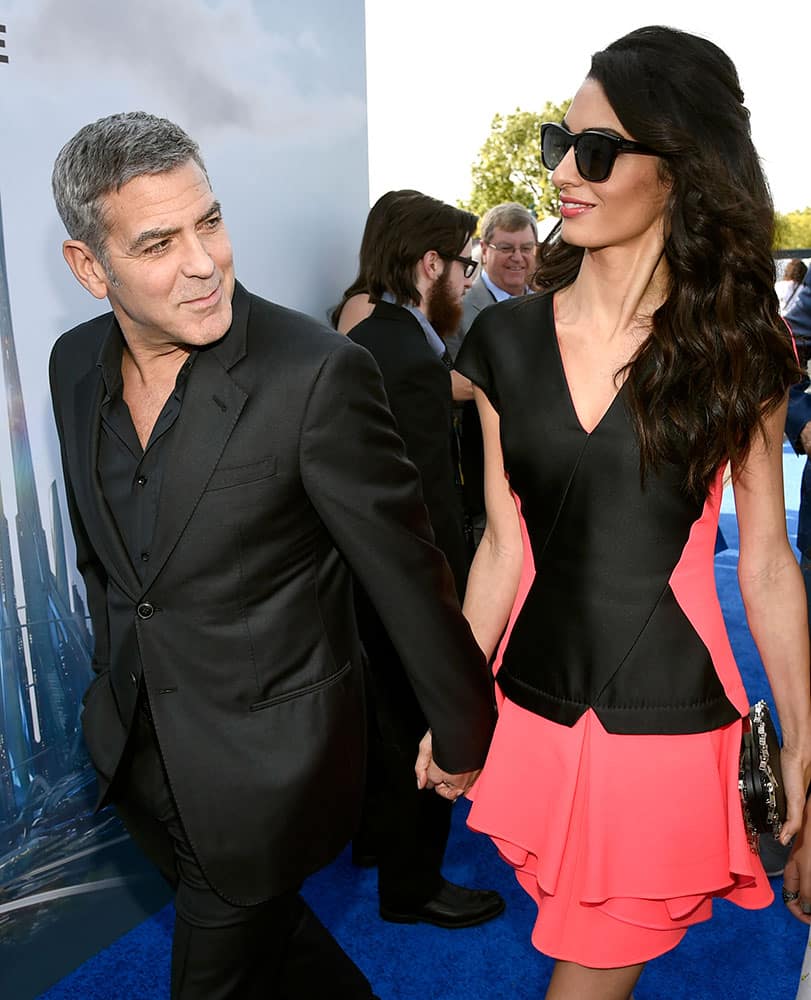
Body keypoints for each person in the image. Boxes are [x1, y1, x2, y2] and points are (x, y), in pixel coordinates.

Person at [48, 112, 497, 1000]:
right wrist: (111, 685)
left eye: (209, 222)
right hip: (136, 753)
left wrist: (462, 728)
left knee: (217, 966)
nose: (204, 260)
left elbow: (406, 570)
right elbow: (107, 563)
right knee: (275, 935)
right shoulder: (71, 365)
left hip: (267, 767)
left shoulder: (313, 372)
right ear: (89, 267)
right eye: (157, 242)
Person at [428, 25, 811, 999]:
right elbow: (501, 551)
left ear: (678, 171)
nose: (563, 170)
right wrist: (456, 699)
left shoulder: (738, 347)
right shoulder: (504, 345)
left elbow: (765, 561)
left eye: (595, 151)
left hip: (667, 720)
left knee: (587, 975)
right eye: (561, 140)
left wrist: (807, 740)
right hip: (537, 707)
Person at [346, 192, 505, 928]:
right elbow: (427, 500)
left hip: (362, 581)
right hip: (409, 583)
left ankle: (381, 846)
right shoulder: (407, 355)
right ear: (429, 264)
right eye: (466, 262)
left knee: (383, 720)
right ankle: (412, 889)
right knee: (425, 720)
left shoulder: (372, 338)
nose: (470, 278)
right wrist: (459, 586)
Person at [443, 202, 538, 361]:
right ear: (485, 250)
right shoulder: (455, 313)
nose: (517, 257)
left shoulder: (552, 307)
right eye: (506, 248)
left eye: (526, 249)